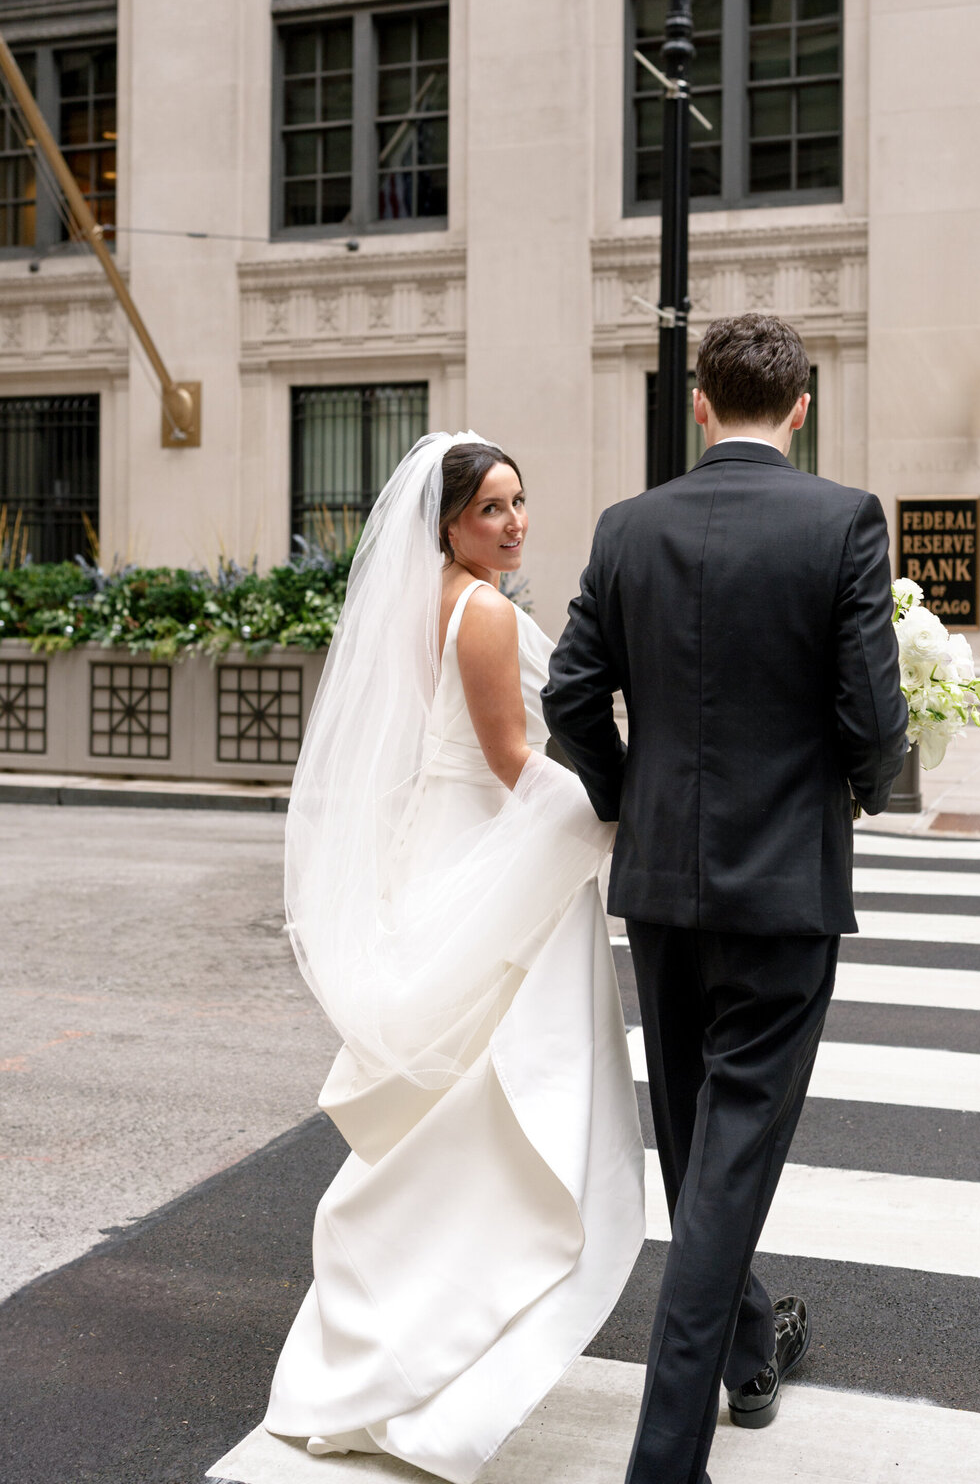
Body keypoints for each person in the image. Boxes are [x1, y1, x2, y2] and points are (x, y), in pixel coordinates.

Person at [543, 314, 909, 1484]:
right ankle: (664, 1458)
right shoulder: (842, 520)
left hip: (662, 888)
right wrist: (869, 786)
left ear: (699, 404)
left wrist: (627, 793)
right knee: (730, 1153)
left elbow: (569, 699)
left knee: (701, 1141)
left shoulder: (626, 527)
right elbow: (870, 717)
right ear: (801, 407)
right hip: (784, 885)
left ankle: (750, 1349)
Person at [259, 434, 644, 1482]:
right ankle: (430, 1343)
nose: (514, 524)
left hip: (447, 850)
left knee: (459, 1099)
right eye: (491, 510)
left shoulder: (431, 597)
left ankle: (396, 1337)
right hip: (492, 863)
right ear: (447, 524)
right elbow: (515, 762)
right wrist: (622, 816)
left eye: (520, 503)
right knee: (498, 1096)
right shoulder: (480, 613)